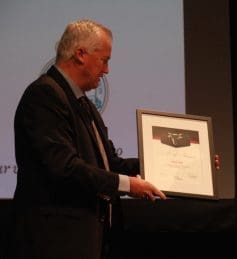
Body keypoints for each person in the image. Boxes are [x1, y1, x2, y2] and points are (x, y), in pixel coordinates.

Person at [10, 19, 167, 259]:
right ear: (81, 54)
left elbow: (110, 164)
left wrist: (173, 164)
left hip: (86, 241)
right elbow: (65, 168)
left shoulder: (84, 103)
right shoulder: (44, 95)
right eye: (104, 60)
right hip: (53, 243)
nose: (107, 71)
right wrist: (127, 185)